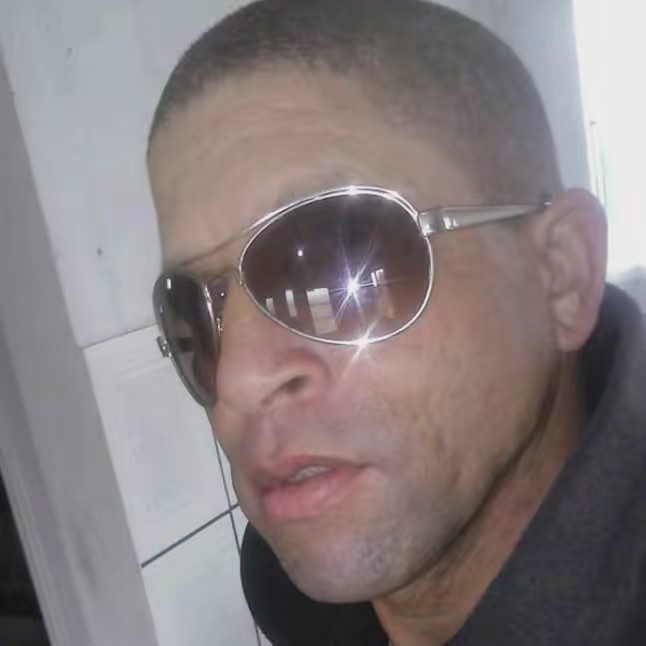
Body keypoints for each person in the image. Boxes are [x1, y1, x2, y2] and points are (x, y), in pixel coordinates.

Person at [147, 1, 646, 644]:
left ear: (560, 275)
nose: (237, 381)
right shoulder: (284, 591)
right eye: (191, 310)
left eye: (342, 266)